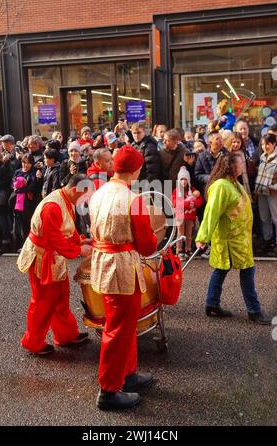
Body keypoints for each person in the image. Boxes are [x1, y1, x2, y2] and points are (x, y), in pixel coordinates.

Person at [89, 145, 158, 410]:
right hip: (123, 268)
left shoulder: (98, 194)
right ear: (137, 169)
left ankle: (126, 375)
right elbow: (148, 245)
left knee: (123, 324)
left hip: (104, 263)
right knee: (119, 329)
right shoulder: (133, 199)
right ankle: (108, 390)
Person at [18, 174, 93, 355]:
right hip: (42, 258)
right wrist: (78, 250)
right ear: (75, 190)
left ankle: (66, 335)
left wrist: (80, 241)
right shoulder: (53, 206)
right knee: (42, 303)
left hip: (53, 256)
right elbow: (55, 239)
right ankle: (33, 343)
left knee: (60, 297)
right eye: (85, 196)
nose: (86, 201)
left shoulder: (65, 199)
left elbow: (67, 230)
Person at [196, 152, 270, 325]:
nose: (243, 166)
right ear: (232, 166)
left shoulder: (233, 182)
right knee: (247, 271)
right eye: (241, 163)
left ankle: (212, 303)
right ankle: (254, 310)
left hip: (239, 239)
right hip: (231, 239)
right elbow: (211, 213)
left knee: (222, 270)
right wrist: (203, 237)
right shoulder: (222, 185)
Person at [255, 133, 277, 258]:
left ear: (274, 144)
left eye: (268, 144)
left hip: (274, 193)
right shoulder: (262, 157)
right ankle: (267, 241)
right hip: (261, 192)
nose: (265, 147)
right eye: (263, 144)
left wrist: (274, 186)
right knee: (264, 218)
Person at [172, 166, 203, 258]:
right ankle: (179, 250)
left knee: (189, 234)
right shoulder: (177, 191)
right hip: (180, 216)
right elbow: (175, 202)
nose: (184, 181)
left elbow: (200, 200)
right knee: (180, 233)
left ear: (188, 180)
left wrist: (194, 204)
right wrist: (188, 203)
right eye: (181, 179)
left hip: (190, 216)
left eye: (185, 179)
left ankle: (188, 249)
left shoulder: (193, 190)